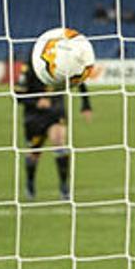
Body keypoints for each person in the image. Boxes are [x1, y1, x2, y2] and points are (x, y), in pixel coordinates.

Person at [14, 55, 92, 200]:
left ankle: (64, 187)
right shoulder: (29, 67)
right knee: (34, 153)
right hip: (34, 117)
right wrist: (37, 102)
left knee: (59, 140)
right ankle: (30, 183)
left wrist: (86, 104)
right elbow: (18, 95)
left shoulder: (63, 62)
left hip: (56, 110)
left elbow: (78, 78)